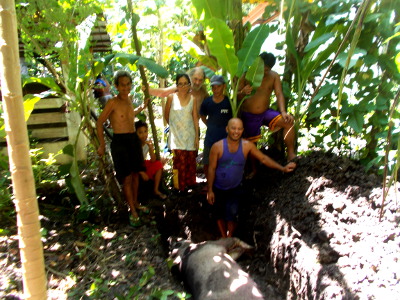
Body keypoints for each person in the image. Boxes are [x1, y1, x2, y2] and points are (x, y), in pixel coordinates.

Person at [207, 118, 296, 238]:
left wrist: (283, 168)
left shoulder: (247, 145)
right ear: (227, 129)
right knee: (219, 213)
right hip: (218, 186)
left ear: (242, 130)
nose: (236, 131)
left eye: (239, 129)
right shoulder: (217, 147)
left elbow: (263, 159)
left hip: (235, 186)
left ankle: (230, 237)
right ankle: (224, 237)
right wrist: (210, 190)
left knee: (232, 214)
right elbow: (211, 169)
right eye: (233, 128)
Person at [96, 70, 149, 226]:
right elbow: (99, 122)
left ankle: (136, 203)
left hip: (133, 139)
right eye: (122, 85)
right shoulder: (112, 102)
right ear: (116, 86)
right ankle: (132, 210)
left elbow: (128, 115)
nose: (126, 87)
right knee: (126, 177)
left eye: (128, 84)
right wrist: (102, 144)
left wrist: (141, 107)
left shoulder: (129, 100)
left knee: (136, 174)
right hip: (120, 142)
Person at [239, 52, 296, 161]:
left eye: (267, 70)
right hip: (249, 115)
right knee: (251, 143)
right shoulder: (246, 75)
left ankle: (291, 155)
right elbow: (235, 96)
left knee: (288, 122)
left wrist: (283, 111)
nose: (264, 72)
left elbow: (279, 94)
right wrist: (242, 92)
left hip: (265, 113)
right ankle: (253, 169)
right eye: (262, 69)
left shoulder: (274, 76)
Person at [165, 73, 199, 192]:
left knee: (190, 162)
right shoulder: (171, 98)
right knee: (178, 164)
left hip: (189, 136)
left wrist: (197, 138)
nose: (183, 86)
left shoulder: (193, 99)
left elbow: (195, 118)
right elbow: (166, 115)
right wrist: (174, 127)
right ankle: (178, 188)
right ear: (177, 85)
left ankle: (189, 186)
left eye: (186, 84)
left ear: (189, 85)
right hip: (176, 137)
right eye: (180, 84)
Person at [200, 75, 232, 182]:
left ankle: (223, 183)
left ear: (224, 86)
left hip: (225, 139)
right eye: (213, 87)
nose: (215, 89)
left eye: (218, 87)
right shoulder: (207, 102)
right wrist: (209, 124)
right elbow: (202, 115)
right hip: (210, 138)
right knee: (207, 163)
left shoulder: (229, 102)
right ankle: (210, 184)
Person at [135, 120, 167, 200]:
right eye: (140, 132)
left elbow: (153, 160)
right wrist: (141, 172)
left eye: (145, 131)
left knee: (158, 164)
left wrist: (151, 148)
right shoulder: (134, 145)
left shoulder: (147, 142)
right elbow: (133, 161)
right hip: (136, 166)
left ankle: (156, 190)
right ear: (136, 133)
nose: (143, 135)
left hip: (144, 163)